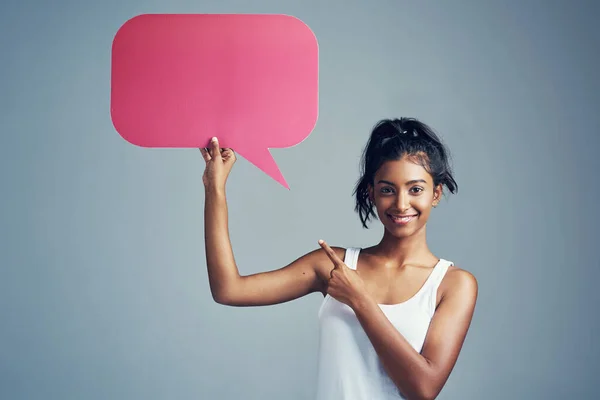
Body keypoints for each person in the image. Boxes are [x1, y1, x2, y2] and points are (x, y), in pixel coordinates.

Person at [200, 117, 478, 400]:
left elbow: (423, 389)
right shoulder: (334, 267)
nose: (401, 203)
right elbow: (228, 290)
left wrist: (360, 299)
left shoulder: (452, 284)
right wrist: (215, 188)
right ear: (371, 194)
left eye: (415, 189)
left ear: (436, 193)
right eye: (387, 189)